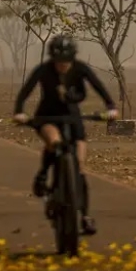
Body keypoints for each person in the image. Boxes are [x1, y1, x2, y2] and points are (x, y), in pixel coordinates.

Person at [12, 34, 118, 237]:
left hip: (72, 117)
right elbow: (25, 91)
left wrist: (111, 107)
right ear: (52, 58)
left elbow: (98, 87)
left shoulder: (80, 68)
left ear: (72, 58)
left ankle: (85, 216)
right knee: (55, 143)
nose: (62, 66)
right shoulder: (43, 70)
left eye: (66, 62)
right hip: (48, 116)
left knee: (79, 167)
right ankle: (43, 174)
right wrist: (19, 112)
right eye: (59, 62)